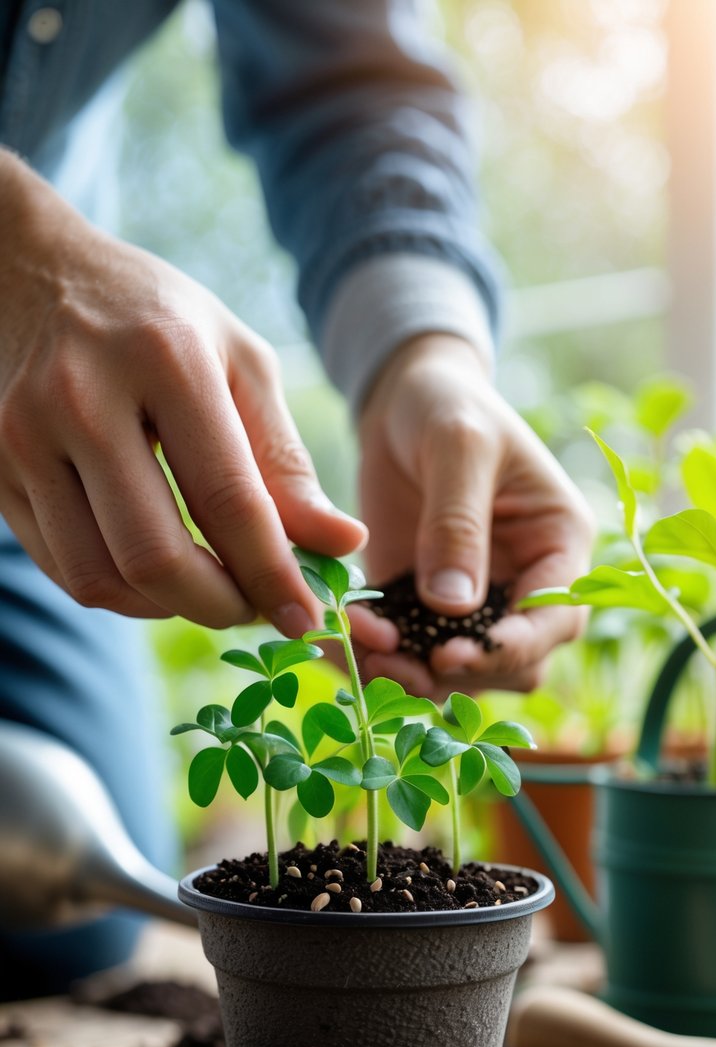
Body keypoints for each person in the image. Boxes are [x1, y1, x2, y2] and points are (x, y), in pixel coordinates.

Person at [0, 0, 592, 996]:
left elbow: (350, 72)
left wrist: (422, 354)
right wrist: (16, 251)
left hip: (31, 428)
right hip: (23, 315)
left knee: (65, 914)